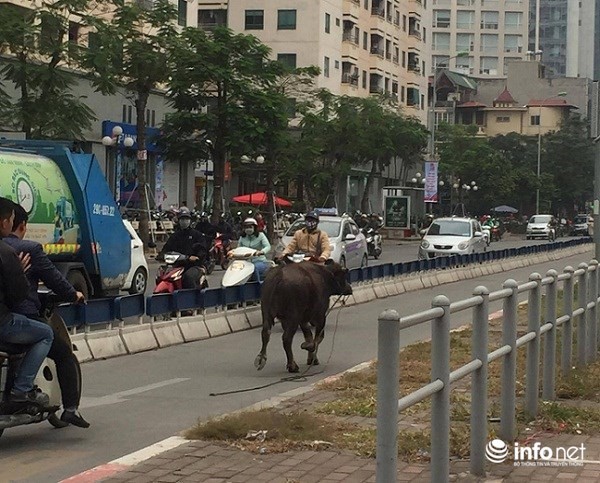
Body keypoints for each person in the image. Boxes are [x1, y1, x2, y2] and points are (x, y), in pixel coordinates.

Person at [3, 203, 89, 427]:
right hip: (15, 319)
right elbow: (54, 280)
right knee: (61, 351)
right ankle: (67, 408)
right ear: (19, 224)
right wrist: (74, 294)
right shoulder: (25, 250)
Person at [0, 197, 54, 405]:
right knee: (46, 333)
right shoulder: (7, 253)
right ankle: (21, 390)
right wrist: (19, 272)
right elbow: (18, 295)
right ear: (5, 222)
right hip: (3, 323)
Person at [158, 208, 210, 289]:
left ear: (190, 220)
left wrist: (197, 257)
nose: (184, 221)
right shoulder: (175, 236)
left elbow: (202, 249)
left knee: (188, 277)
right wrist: (161, 255)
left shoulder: (197, 235)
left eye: (186, 219)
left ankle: (191, 298)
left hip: (194, 266)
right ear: (179, 220)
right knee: (162, 276)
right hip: (177, 265)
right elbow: (166, 248)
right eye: (182, 219)